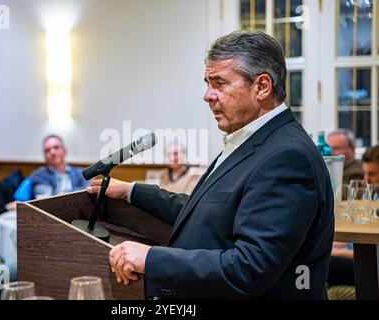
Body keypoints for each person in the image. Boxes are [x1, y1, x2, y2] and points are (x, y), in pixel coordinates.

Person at [88, 30, 334, 299]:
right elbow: (207, 212)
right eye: (207, 82)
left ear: (261, 87)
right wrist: (131, 191)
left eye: (219, 83)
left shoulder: (286, 157)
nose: (207, 95)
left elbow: (250, 269)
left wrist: (151, 258)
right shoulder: (255, 139)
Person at [30, 134, 88, 198]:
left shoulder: (80, 173)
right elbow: (44, 199)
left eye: (56, 147)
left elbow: (86, 195)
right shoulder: (39, 175)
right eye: (47, 150)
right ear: (44, 156)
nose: (52, 152)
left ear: (65, 151)